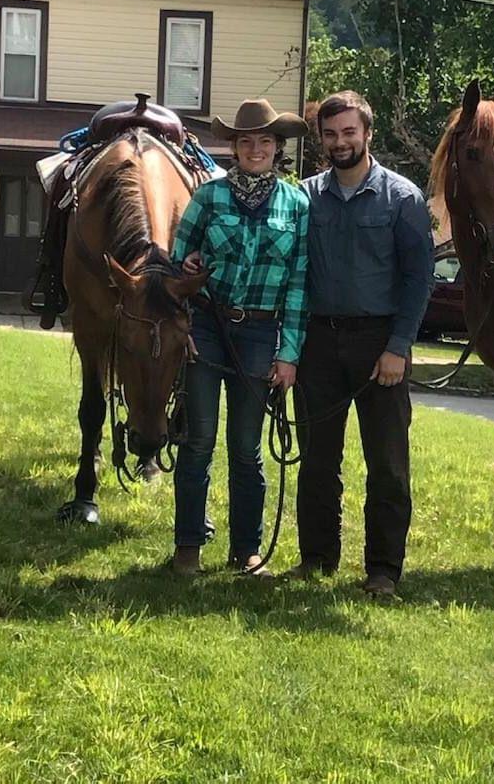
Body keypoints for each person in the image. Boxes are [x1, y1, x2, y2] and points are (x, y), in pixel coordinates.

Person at [288, 90, 435, 597]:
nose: (340, 142)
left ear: (368, 134)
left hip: (381, 346)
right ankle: (317, 558)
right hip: (318, 345)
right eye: (330, 134)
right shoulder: (304, 198)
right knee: (317, 461)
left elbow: (420, 281)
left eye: (349, 132)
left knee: (388, 464)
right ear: (320, 140)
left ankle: (383, 571)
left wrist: (398, 347)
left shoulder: (403, 198)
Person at [169, 99, 310, 576]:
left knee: (247, 447)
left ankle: (245, 549)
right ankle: (188, 544)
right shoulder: (208, 197)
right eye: (246, 141)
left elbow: (298, 284)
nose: (255, 149)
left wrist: (288, 353)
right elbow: (174, 264)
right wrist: (184, 285)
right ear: (234, 146)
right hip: (207, 325)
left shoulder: (297, 205)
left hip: (259, 331)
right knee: (198, 439)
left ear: (277, 148)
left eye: (265, 141)